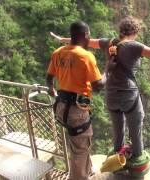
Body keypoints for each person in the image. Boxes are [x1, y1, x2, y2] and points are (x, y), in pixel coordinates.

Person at [50, 17, 150, 163]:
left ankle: (117, 162)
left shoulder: (107, 43)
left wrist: (64, 40)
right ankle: (137, 162)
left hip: (110, 95)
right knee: (136, 131)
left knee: (118, 131)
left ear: (121, 30)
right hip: (129, 96)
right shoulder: (134, 46)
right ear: (135, 33)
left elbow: (88, 42)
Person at [46, 21, 105, 180]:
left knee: (79, 143)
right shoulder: (85, 56)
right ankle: (79, 177)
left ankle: (87, 171)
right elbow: (98, 86)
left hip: (61, 107)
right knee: (80, 148)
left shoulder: (58, 52)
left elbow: (49, 76)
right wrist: (109, 71)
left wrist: (51, 89)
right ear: (85, 35)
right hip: (77, 109)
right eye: (89, 35)